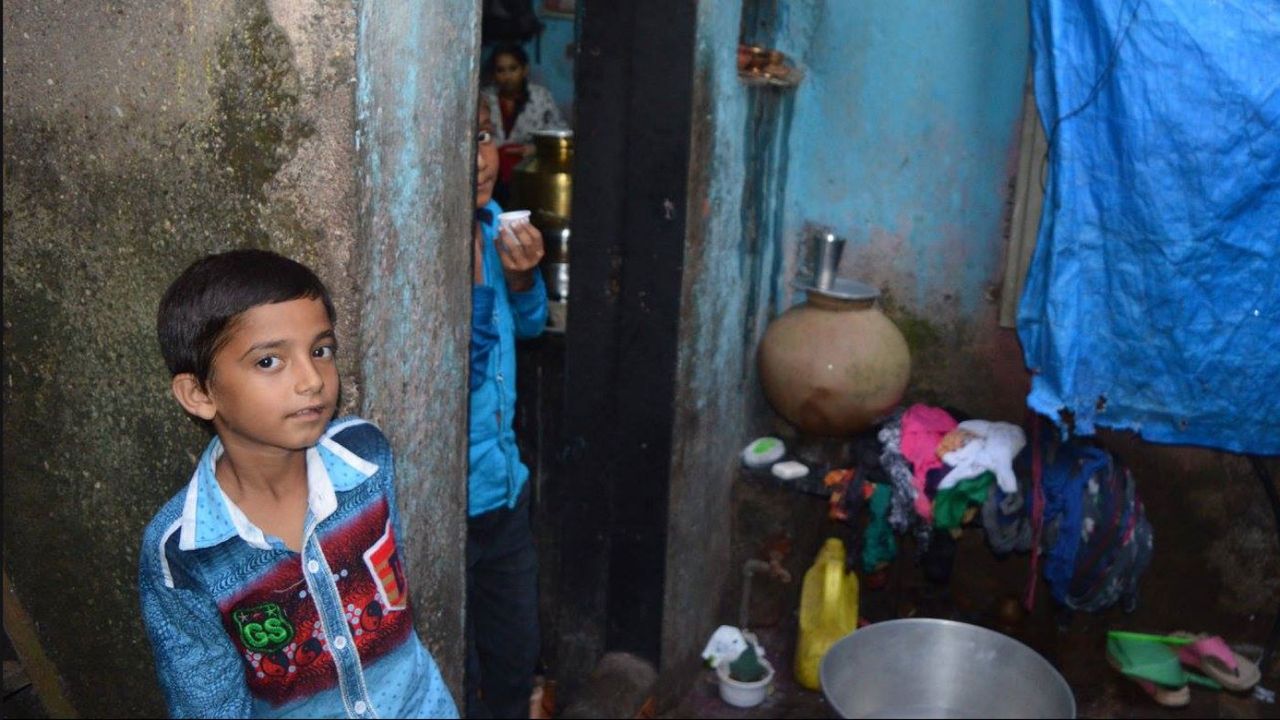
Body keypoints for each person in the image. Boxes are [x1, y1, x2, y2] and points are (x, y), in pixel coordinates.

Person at [138, 249, 458, 718]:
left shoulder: (366, 457)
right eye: (269, 361)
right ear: (199, 394)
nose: (311, 380)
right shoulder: (182, 551)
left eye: (320, 350)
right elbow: (207, 705)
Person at [465, 96, 548, 718]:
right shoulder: (420, 252)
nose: (481, 159)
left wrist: (522, 280)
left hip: (504, 490)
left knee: (514, 662)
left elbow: (533, 325)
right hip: (447, 508)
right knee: (459, 677)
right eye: (462, 140)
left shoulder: (497, 230)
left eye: (487, 135)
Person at [481, 43, 569, 200]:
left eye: (513, 68)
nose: (507, 76)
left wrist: (535, 149)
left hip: (530, 174)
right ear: (493, 74)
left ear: (524, 70)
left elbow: (560, 136)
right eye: (500, 70)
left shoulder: (541, 97)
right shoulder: (485, 98)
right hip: (493, 176)